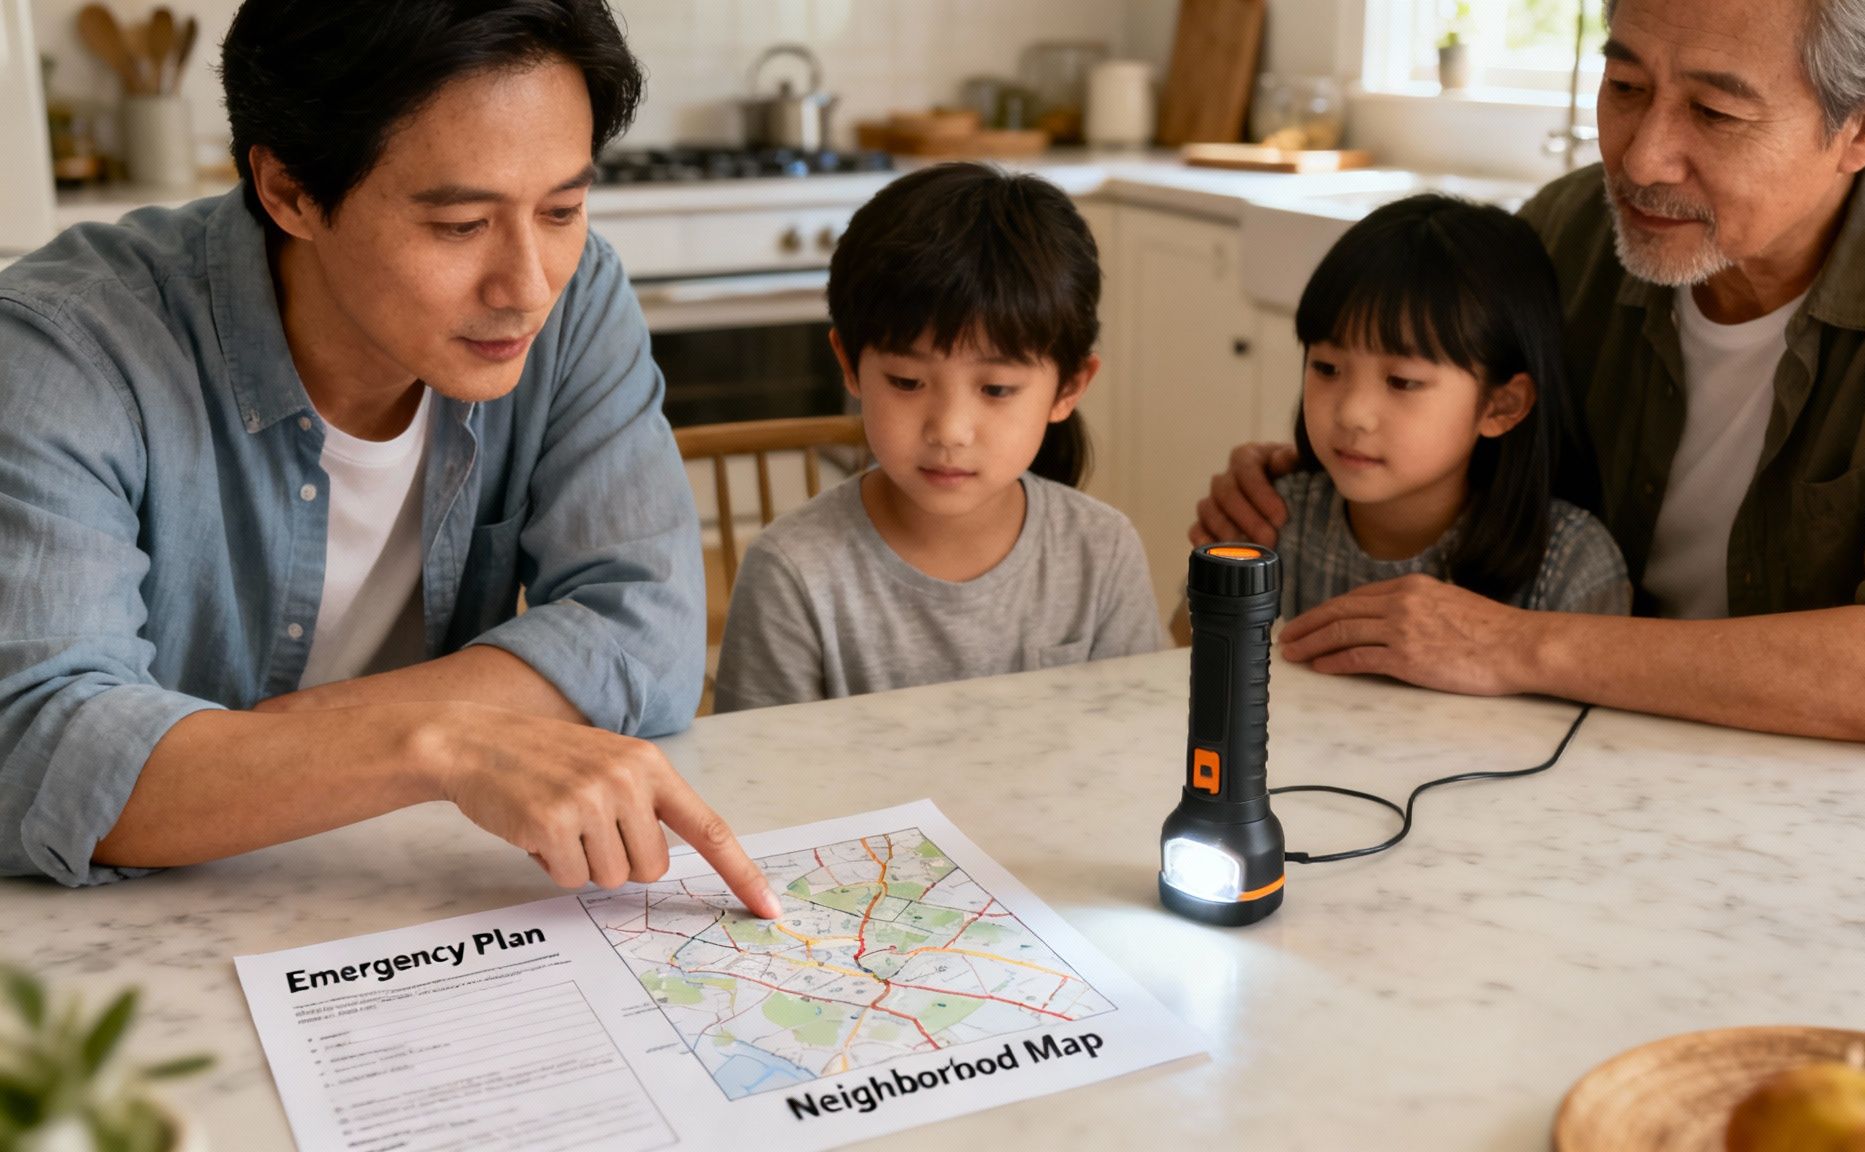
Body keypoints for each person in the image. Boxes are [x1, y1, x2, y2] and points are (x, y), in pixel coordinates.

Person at [0, 0, 778, 914]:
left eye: (563, 208)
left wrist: (255, 746)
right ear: (289, 191)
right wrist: (439, 744)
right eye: (460, 225)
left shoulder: (579, 294)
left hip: (408, 888)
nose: (528, 286)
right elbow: (36, 750)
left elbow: (649, 627)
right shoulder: (63, 351)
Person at [1194, 0, 1865, 771]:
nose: (1641, 158)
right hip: (1616, 767)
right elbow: (1462, 457)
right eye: (1626, 86)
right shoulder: (1568, 234)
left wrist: (1516, 646)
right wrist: (1310, 479)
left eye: (1715, 112)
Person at [713, 163, 1163, 712]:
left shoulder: (1101, 551)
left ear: (1068, 388)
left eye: (996, 389)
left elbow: (1132, 739)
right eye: (907, 382)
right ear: (849, 365)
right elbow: (759, 761)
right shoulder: (792, 571)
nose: (949, 430)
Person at [1263, 194, 1629, 627]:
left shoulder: (1569, 567)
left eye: (1402, 382)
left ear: (1501, 406)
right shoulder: (1271, 523)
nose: (1352, 414)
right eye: (1326, 368)